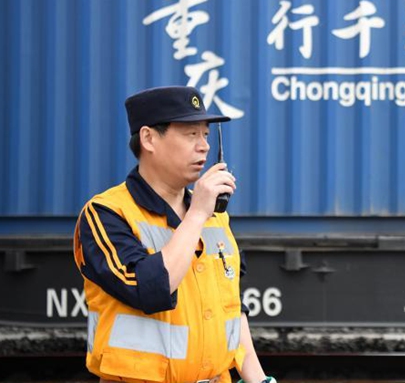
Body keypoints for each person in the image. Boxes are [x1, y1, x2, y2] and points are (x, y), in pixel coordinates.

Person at [73, 86, 274, 383]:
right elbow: (149, 290)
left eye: (205, 135)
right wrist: (195, 216)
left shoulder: (214, 217)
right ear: (149, 138)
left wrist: (259, 380)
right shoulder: (105, 214)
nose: (203, 146)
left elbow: (230, 307)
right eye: (191, 134)